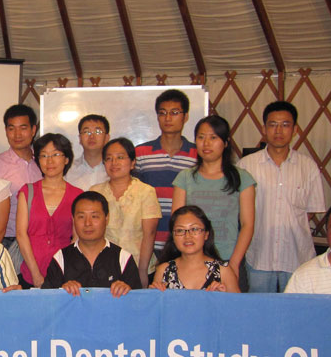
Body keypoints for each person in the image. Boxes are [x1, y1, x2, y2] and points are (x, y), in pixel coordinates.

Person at [237, 101, 326, 293]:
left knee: (296, 309)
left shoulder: (308, 167)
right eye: (273, 124)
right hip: (259, 255)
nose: (278, 130)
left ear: (295, 130)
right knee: (259, 308)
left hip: (297, 256)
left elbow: (310, 212)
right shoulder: (246, 166)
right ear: (264, 129)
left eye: (285, 125)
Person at [172, 115, 255, 283]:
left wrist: (233, 264)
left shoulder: (242, 178)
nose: (206, 143)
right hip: (192, 262)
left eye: (213, 137)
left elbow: (247, 225)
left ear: (225, 143)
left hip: (229, 259)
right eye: (201, 137)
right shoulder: (185, 178)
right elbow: (177, 223)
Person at [90, 138, 161, 287]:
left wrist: (142, 271)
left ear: (133, 162)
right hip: (103, 267)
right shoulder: (95, 192)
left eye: (120, 157)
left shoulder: (146, 191)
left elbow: (149, 234)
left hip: (137, 265)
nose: (114, 163)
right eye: (109, 158)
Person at [135, 89, 198, 256]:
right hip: (147, 241)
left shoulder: (197, 155)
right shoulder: (140, 153)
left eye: (174, 113)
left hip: (185, 241)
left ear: (185, 117)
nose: (168, 118)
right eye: (162, 113)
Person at [15, 133, 83, 288]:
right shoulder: (28, 192)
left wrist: (65, 271)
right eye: (44, 155)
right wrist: (35, 274)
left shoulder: (77, 195)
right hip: (30, 273)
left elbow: (77, 238)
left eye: (56, 155)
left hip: (64, 273)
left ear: (66, 159)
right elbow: (21, 234)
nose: (49, 161)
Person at [43, 191, 141, 296]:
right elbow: (47, 300)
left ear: (107, 218)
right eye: (81, 217)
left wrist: (128, 292)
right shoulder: (60, 258)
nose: (87, 223)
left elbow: (139, 301)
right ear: (73, 219)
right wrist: (61, 292)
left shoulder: (123, 258)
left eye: (94, 216)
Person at [0, 104, 43, 267]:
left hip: (40, 240)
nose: (17, 134)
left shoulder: (44, 162)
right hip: (8, 241)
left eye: (23, 128)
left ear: (33, 130)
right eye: (11, 128)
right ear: (6, 131)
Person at [149, 205, 240, 292]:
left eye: (195, 229)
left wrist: (222, 298)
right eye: (180, 230)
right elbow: (156, 302)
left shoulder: (223, 271)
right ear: (173, 236)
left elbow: (239, 302)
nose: (187, 236)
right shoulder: (164, 270)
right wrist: (154, 294)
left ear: (206, 234)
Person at [65, 114, 109, 191]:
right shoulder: (68, 170)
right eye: (86, 132)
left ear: (107, 138)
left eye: (97, 132)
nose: (92, 136)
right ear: (80, 138)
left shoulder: (114, 169)